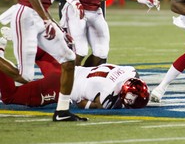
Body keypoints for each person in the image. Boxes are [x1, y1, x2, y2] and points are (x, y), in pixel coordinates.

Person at [9, 0, 87, 122]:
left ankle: (61, 111)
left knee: (69, 59)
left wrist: (55, 23)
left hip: (37, 14)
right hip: (27, 14)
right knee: (24, 76)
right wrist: (46, 20)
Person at [0, 44, 150, 110]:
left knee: (41, 54)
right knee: (10, 97)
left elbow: (134, 77)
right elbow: (81, 104)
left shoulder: (129, 71)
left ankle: (19, 35)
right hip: (59, 86)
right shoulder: (107, 99)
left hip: (68, 68)